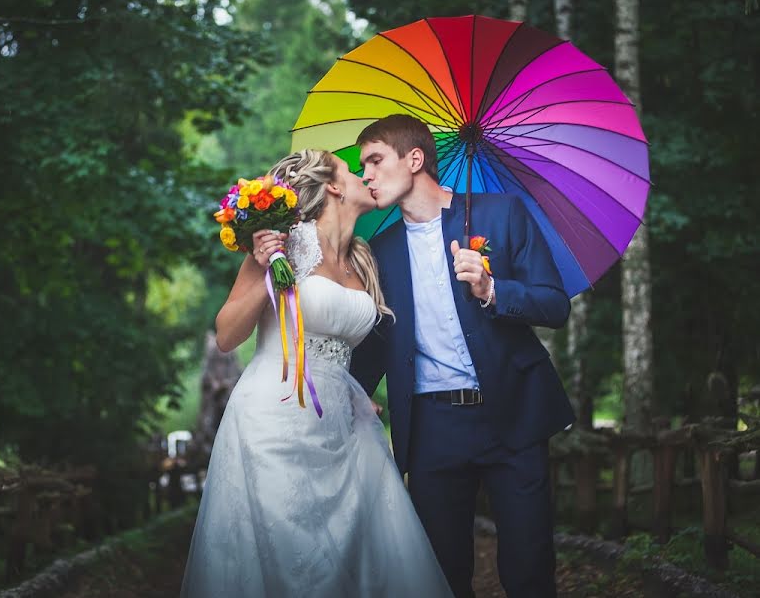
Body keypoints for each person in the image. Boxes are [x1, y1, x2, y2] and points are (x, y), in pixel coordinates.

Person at [180, 149, 453, 598]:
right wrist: (267, 270)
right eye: (353, 169)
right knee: (292, 562)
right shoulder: (283, 241)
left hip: (343, 425)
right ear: (332, 186)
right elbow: (228, 334)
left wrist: (358, 390)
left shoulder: (363, 259)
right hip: (273, 421)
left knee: (356, 558)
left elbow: (355, 346)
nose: (365, 175)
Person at [349, 114, 574, 598]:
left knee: (530, 565)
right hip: (431, 428)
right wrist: (348, 395)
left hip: (513, 412)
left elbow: (556, 306)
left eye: (374, 160)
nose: (365, 174)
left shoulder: (502, 214)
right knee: (442, 575)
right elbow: (374, 343)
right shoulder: (377, 251)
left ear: (414, 159)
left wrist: (494, 288)